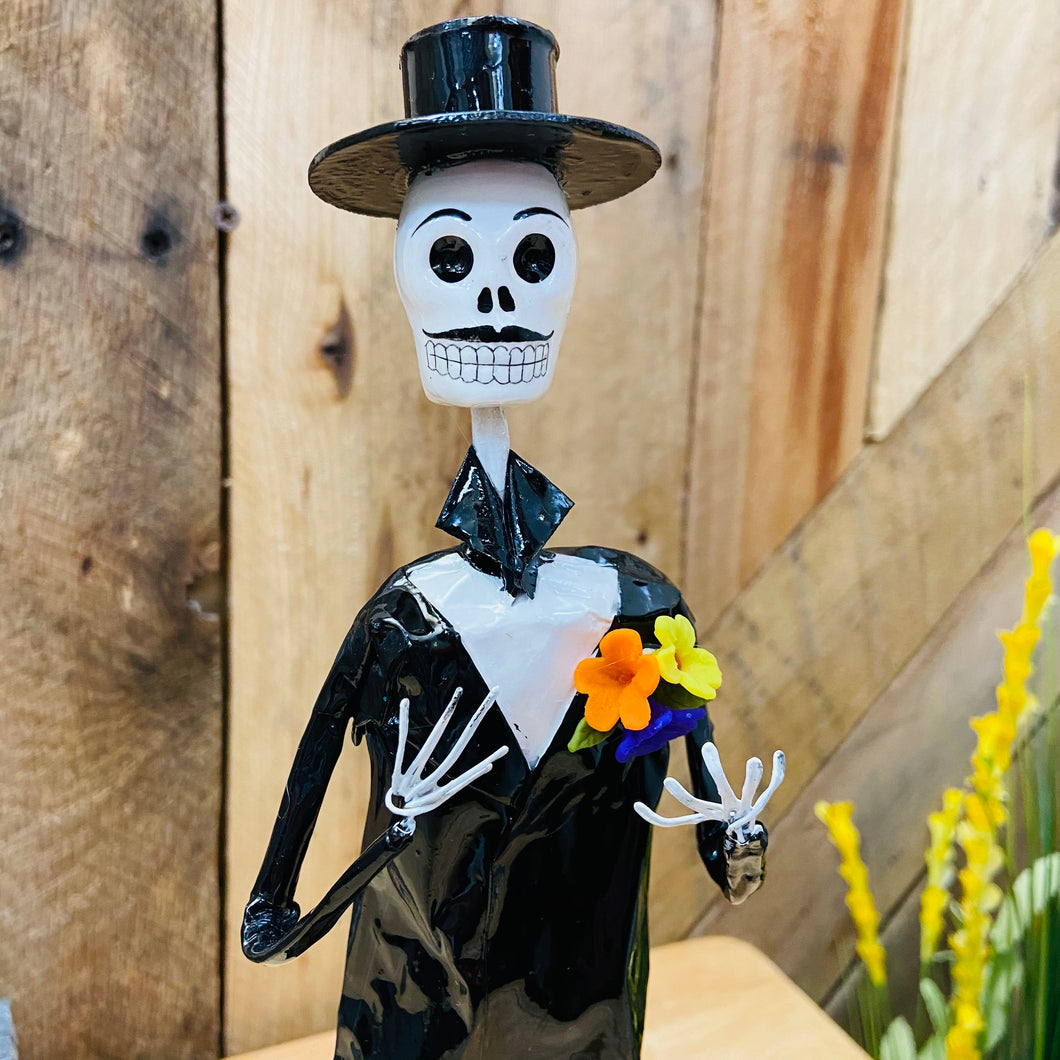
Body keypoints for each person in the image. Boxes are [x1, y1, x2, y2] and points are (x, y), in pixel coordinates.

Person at [242, 18, 783, 1060]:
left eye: (533, 255)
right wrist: (393, 837)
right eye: (451, 256)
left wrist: (739, 838)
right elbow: (268, 927)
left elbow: (728, 856)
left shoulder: (642, 615)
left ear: (567, 271)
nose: (495, 298)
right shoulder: (400, 628)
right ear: (407, 275)